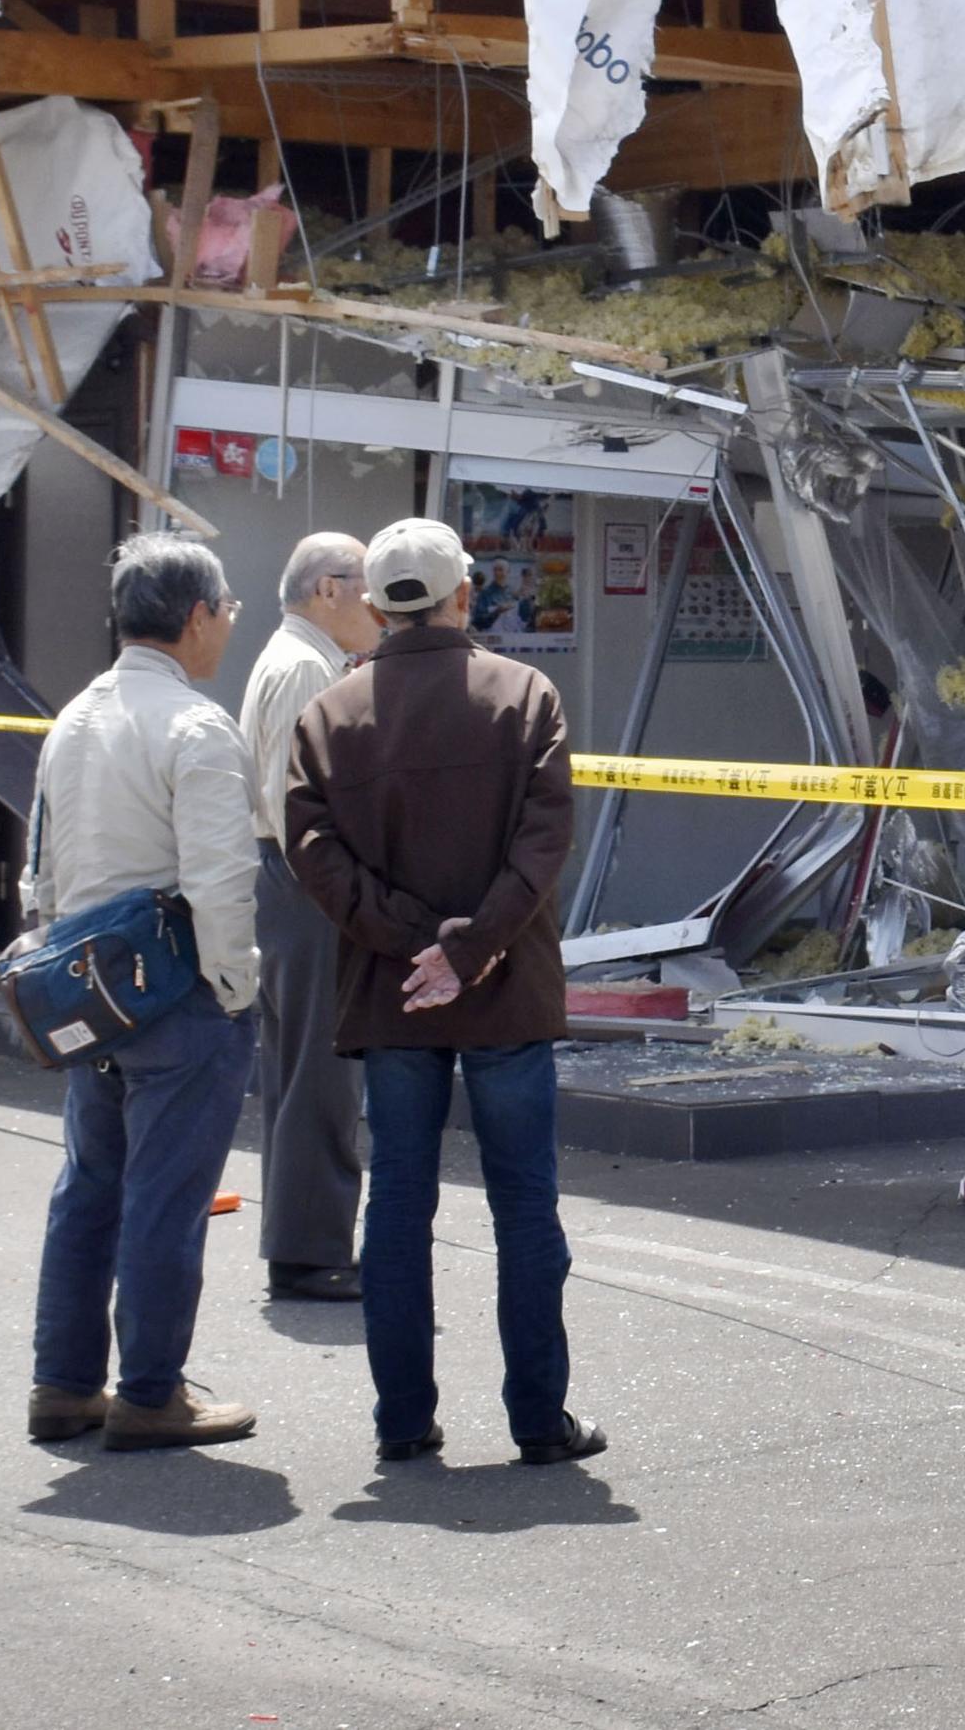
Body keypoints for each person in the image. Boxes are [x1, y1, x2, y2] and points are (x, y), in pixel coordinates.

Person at [284, 516, 603, 1469]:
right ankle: (540, 1421)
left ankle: (401, 1420)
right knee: (525, 1207)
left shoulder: (332, 714)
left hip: (393, 995)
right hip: (505, 990)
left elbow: (312, 853)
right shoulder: (524, 695)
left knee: (397, 1208)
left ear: (377, 606)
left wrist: (410, 942)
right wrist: (472, 946)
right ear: (467, 593)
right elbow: (544, 840)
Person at [23, 537, 261, 1453]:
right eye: (228, 608)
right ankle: (151, 1390)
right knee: (166, 1195)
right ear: (196, 616)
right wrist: (235, 988)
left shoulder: (73, 716)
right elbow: (220, 878)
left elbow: (44, 870)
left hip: (84, 989)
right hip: (177, 993)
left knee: (89, 1187)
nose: (230, 622)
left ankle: (63, 1383)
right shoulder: (196, 725)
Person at [238, 531, 377, 1304]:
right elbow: (298, 808)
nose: (377, 605)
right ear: (330, 587)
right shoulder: (303, 667)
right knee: (317, 1076)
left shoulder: (301, 657)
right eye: (368, 586)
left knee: (302, 1071)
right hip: (306, 888)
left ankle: (305, 1241)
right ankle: (312, 1249)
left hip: (292, 886)